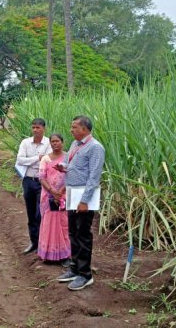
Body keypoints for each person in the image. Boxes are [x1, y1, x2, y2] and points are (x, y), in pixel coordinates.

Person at [55, 115, 105, 291]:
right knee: (73, 232)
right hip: (72, 193)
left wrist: (84, 200)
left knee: (83, 234)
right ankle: (75, 268)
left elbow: (94, 176)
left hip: (84, 195)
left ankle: (85, 274)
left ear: (85, 129)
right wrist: (63, 167)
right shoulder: (75, 144)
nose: (71, 130)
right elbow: (71, 164)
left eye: (74, 127)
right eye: (71, 127)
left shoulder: (95, 147)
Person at [15, 118, 52, 254]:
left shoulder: (49, 142)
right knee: (31, 213)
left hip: (43, 182)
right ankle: (33, 242)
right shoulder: (25, 142)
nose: (35, 130)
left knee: (40, 214)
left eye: (38, 127)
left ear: (44, 128)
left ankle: (43, 243)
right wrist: (37, 158)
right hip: (28, 181)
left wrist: (30, 161)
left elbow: (48, 161)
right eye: (33, 127)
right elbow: (20, 160)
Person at [37, 134, 71, 263]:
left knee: (63, 224)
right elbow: (41, 177)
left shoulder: (68, 157)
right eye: (52, 142)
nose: (55, 144)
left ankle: (64, 255)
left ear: (62, 142)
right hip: (48, 197)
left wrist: (60, 192)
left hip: (64, 196)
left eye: (57, 141)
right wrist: (52, 191)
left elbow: (70, 175)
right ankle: (48, 254)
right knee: (48, 224)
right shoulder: (45, 159)